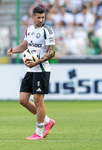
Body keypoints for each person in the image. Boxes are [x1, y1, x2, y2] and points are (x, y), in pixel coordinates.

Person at [7, 6, 55, 140]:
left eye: (43, 17)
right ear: (32, 17)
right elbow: (24, 46)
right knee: (23, 100)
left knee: (38, 101)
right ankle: (47, 121)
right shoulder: (29, 30)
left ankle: (39, 133)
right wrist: (13, 50)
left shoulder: (47, 31)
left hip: (42, 70)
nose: (41, 20)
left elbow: (52, 52)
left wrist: (37, 62)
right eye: (38, 17)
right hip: (31, 69)